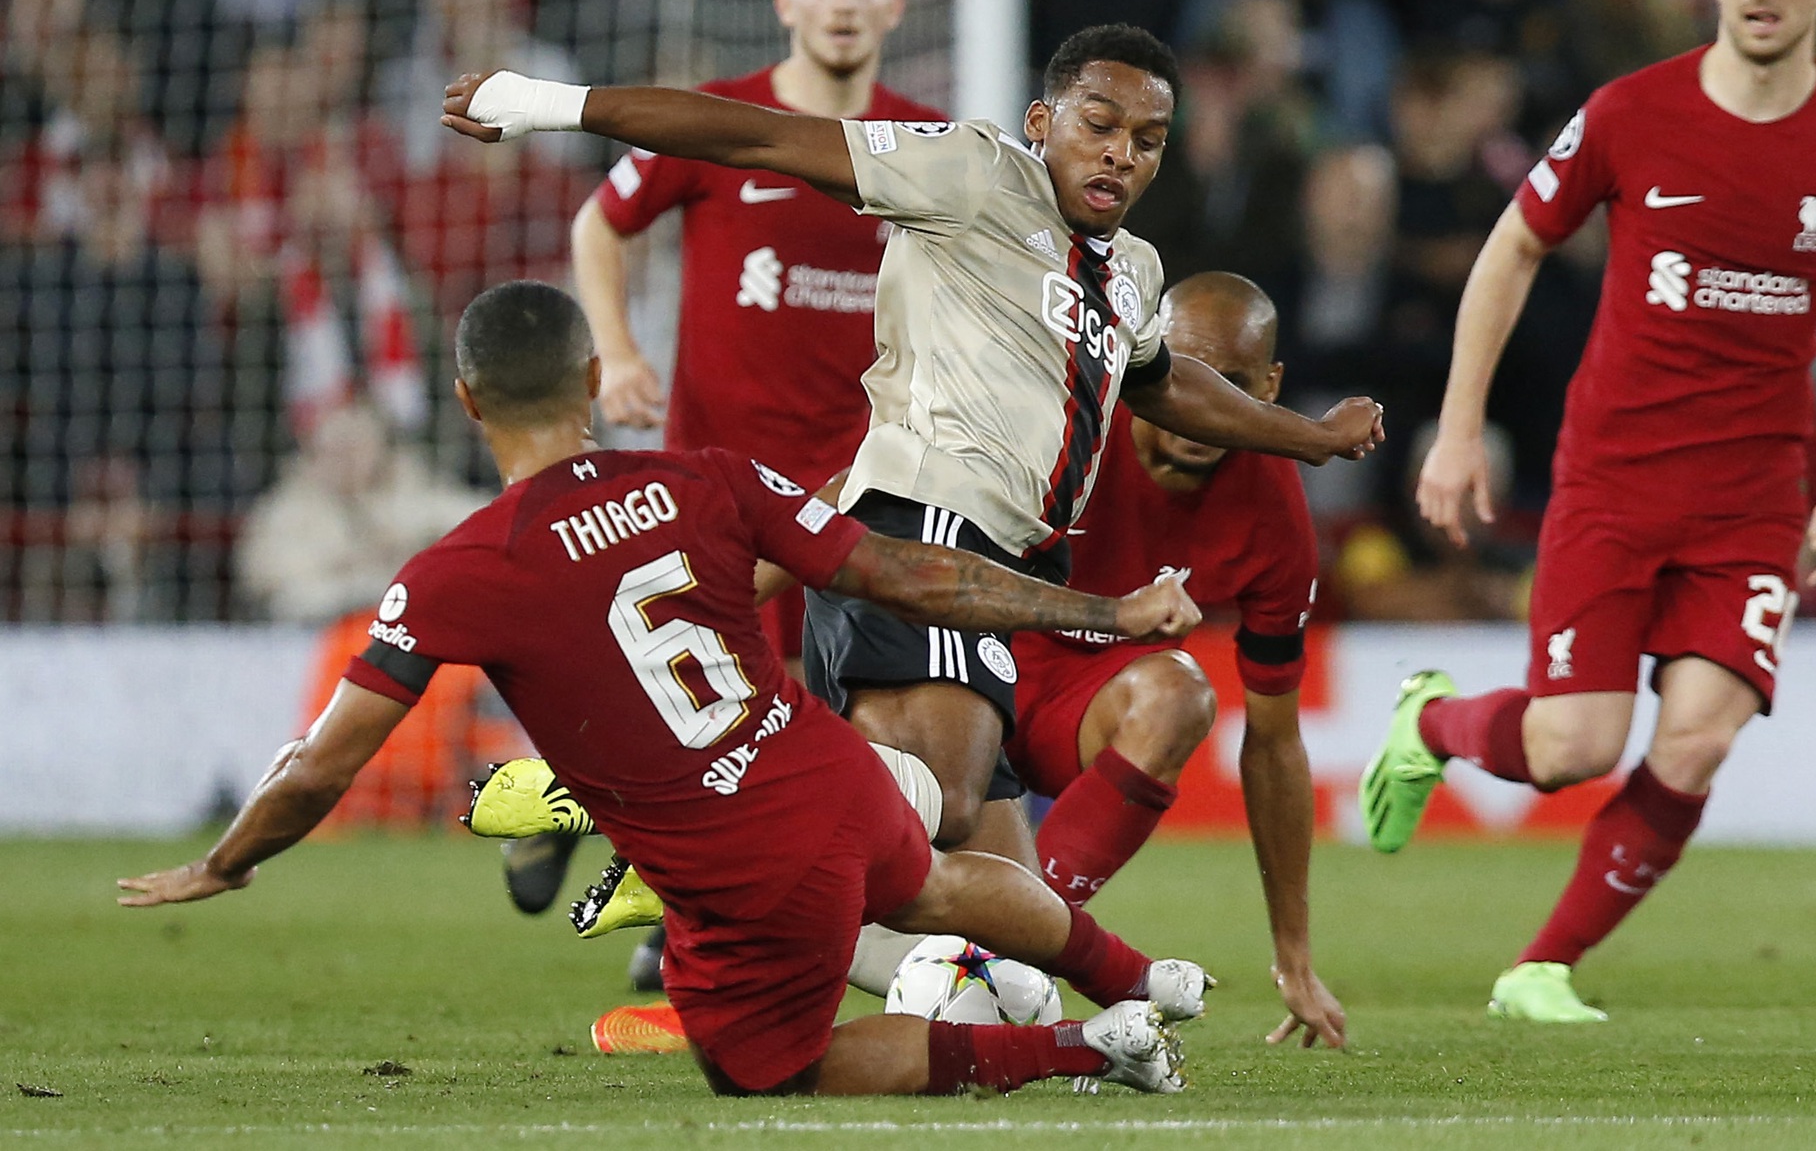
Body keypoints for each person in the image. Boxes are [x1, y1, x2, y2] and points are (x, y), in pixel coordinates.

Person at [118, 281, 1213, 1098]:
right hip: (838, 774)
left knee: (764, 1069)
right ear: (594, 379)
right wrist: (1103, 613)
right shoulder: (709, 478)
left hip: (743, 861)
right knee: (929, 879)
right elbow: (900, 565)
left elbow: (322, 766)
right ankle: (1136, 977)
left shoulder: (455, 571)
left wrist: (227, 860)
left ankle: (1079, 1044)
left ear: (464, 401)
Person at [441, 23, 1386, 879]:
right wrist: (544, 105)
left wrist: (1309, 437)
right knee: (947, 798)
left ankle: (989, 1006)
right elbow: (756, 136)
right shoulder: (971, 173)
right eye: (1099, 124)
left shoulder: (1132, 269)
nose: (1120, 154)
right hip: (926, 519)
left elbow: (1163, 379)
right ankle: (663, 802)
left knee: (996, 908)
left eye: (1146, 141)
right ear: (1041, 119)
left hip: (1005, 558)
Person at [1359, 0, 1816, 1022]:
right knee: (1573, 743)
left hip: (1753, 498)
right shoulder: (1630, 111)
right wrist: (1459, 427)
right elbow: (1509, 250)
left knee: (1696, 735)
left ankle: (1541, 966)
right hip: (1614, 479)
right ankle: (1426, 721)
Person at [547, 0, 945, 966]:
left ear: (893, 6)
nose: (844, 3)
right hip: (715, 487)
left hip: (852, 488)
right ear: (785, 1)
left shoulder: (918, 145)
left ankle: (683, 909)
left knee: (788, 728)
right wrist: (618, 352)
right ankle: (581, 821)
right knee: (694, 707)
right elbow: (598, 222)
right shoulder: (717, 117)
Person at [1003, 272, 1346, 1050]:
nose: (1204, 404)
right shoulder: (1063, 426)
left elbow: (1275, 740)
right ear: (1140, 356)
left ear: (1271, 385)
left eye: (1234, 382)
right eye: (1187, 372)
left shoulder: (1275, 512)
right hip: (971, 673)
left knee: (1183, 693)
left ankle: (1004, 950)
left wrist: (1292, 951)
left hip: (1080, 710)